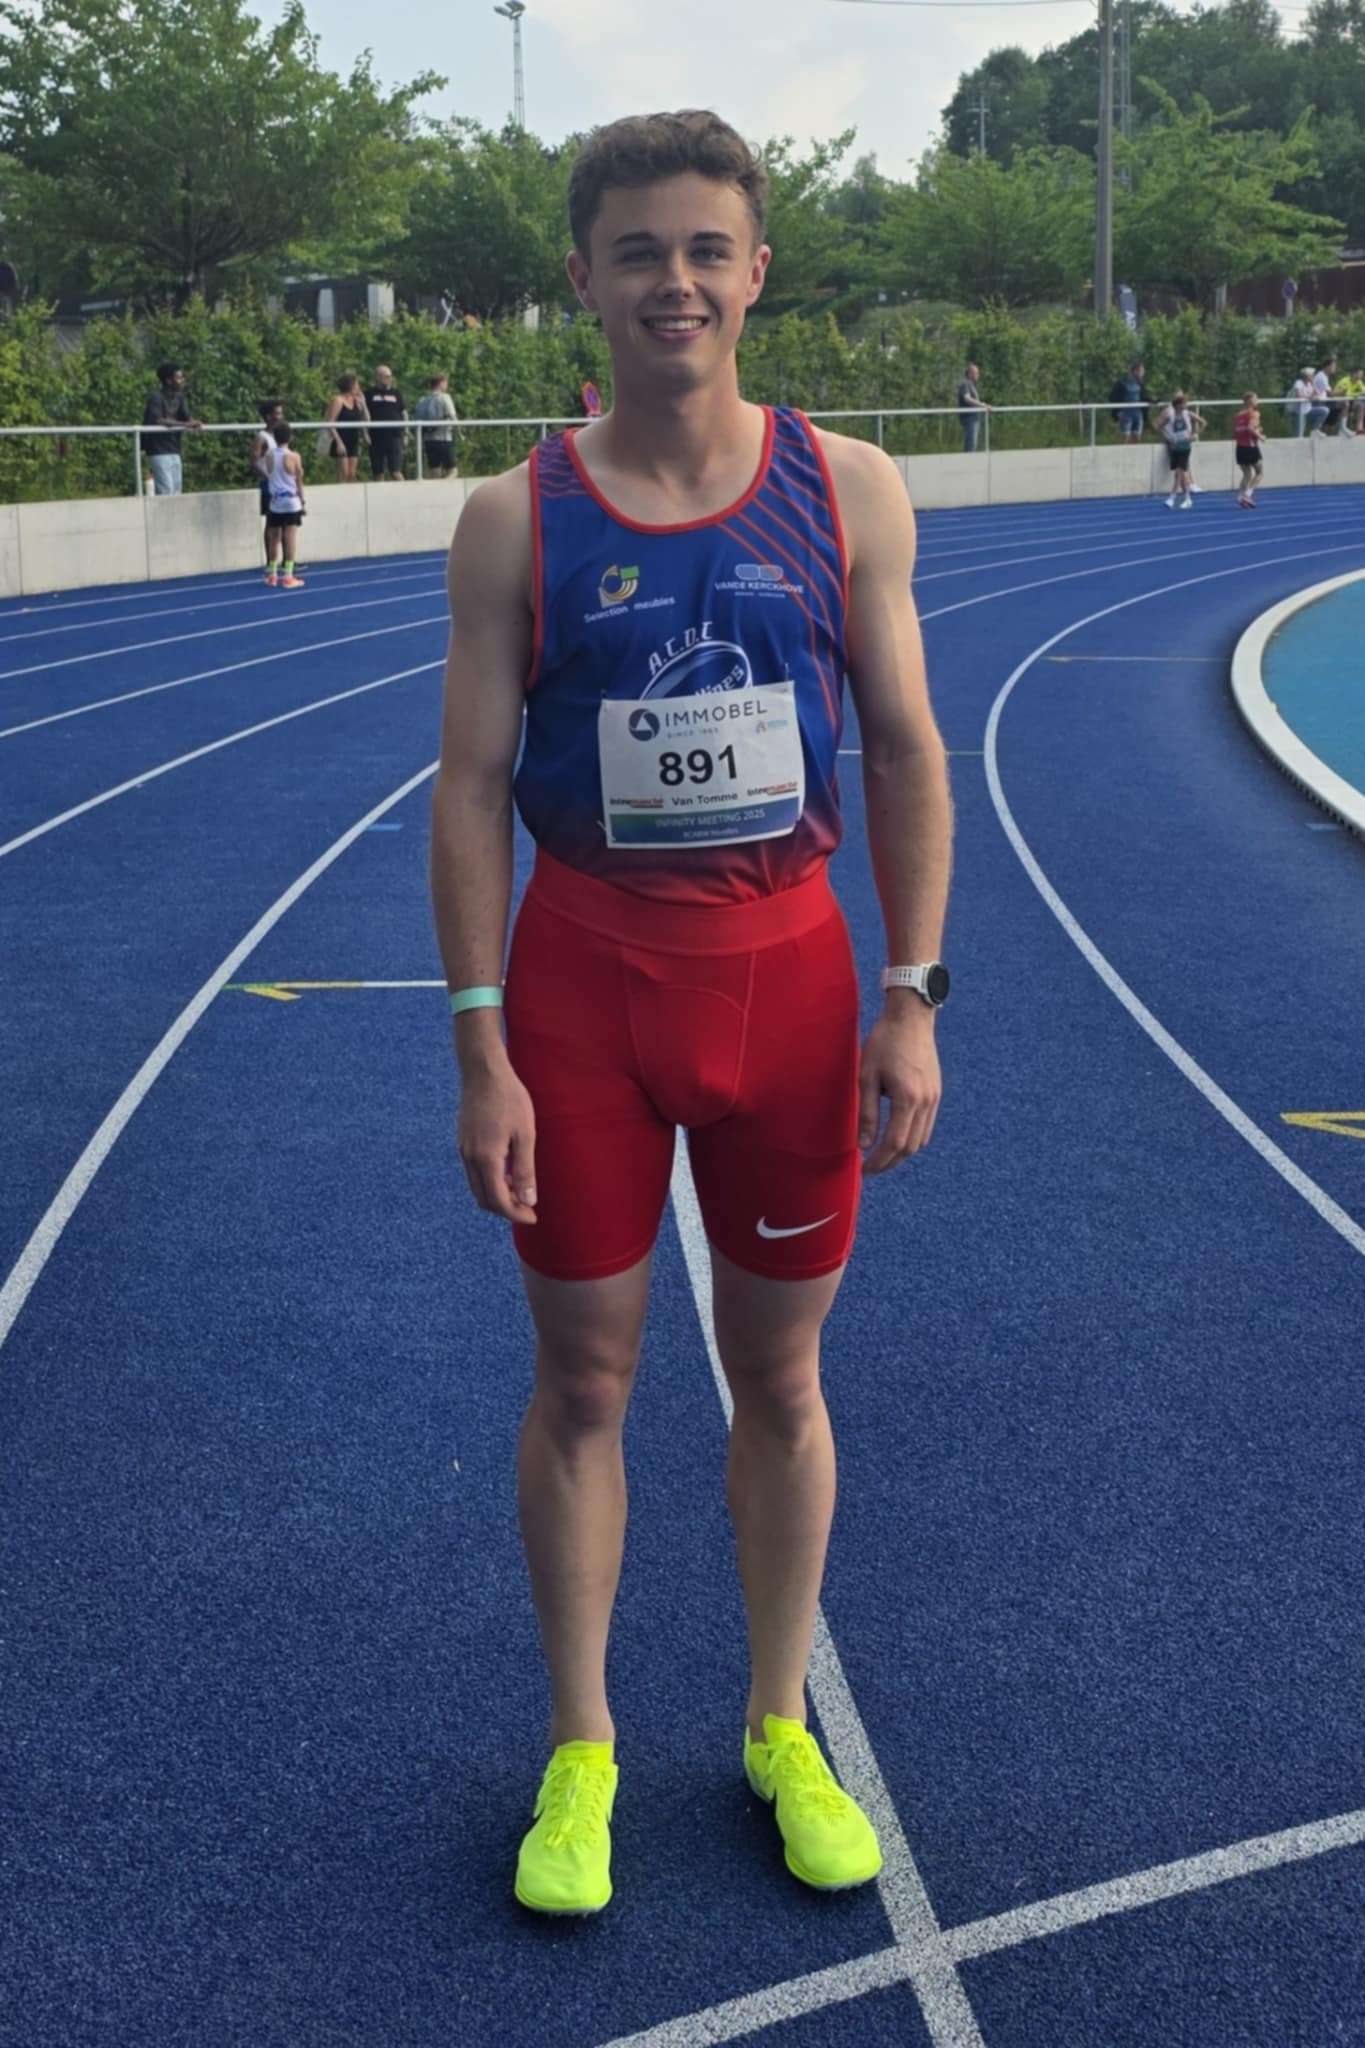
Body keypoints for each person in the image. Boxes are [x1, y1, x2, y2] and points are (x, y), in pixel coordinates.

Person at [430, 107, 953, 1918]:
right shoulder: (515, 517)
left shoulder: (850, 486)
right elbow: (467, 787)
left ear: (755, 273)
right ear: (582, 277)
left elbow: (906, 749)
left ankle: (776, 1719)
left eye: (706, 249)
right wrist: (482, 1043)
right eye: (639, 251)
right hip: (585, 987)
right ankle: (581, 1745)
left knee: (783, 1374)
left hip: (789, 981)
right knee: (585, 1379)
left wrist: (911, 997)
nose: (676, 281)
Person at [142, 363, 203, 495]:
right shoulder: (156, 397)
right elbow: (158, 420)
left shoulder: (179, 397)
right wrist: (186, 425)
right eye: (179, 378)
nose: (182, 380)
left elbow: (187, 417)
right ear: (169, 380)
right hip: (158, 450)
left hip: (174, 448)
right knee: (166, 490)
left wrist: (194, 423)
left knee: (176, 491)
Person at [261, 421, 306, 587]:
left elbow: (269, 474)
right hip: (291, 500)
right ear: (290, 437)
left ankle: (272, 574)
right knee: (290, 536)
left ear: (274, 437)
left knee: (274, 537)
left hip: (276, 500)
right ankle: (288, 575)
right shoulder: (294, 456)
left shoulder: (269, 455)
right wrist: (302, 500)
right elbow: (299, 480)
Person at [1154, 392, 1205, 510]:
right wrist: (1168, 438)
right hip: (1175, 446)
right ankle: (1186, 499)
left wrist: (1195, 435)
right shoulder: (1170, 416)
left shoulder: (1188, 414)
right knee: (1179, 473)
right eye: (1184, 403)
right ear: (1178, 405)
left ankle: (1172, 498)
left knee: (1179, 472)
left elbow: (1203, 422)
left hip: (1185, 446)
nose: (1186, 405)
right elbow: (1159, 427)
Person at [323, 373, 369, 481]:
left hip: (353, 440)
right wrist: (339, 443)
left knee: (352, 474)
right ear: (351, 386)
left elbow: (366, 419)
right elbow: (330, 423)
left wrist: (364, 403)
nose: (359, 387)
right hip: (341, 439)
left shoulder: (357, 401)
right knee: (343, 472)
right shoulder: (338, 400)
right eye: (357, 384)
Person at [252, 399, 286, 547]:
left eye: (281, 413)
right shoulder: (262, 437)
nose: (281, 417)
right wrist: (269, 477)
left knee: (285, 523)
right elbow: (254, 462)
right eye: (277, 413)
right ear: (268, 417)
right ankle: (270, 558)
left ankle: (286, 556)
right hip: (269, 484)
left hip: (281, 484)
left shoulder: (280, 437)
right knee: (271, 522)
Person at [364, 364, 406, 480]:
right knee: (378, 472)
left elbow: (404, 413)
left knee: (396, 471)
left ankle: (405, 490)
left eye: (390, 376)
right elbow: (363, 415)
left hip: (394, 436)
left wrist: (406, 433)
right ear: (378, 377)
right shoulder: (368, 394)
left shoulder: (396, 393)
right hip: (376, 437)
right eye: (386, 376)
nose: (389, 379)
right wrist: (365, 434)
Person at [414, 372, 459, 477]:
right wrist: (459, 432)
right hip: (444, 439)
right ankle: (445, 485)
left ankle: (438, 487)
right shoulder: (445, 397)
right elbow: (453, 417)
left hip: (428, 440)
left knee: (435, 471)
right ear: (441, 383)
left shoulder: (423, 400)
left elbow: (417, 419)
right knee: (453, 471)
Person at [1108, 359, 1151, 443]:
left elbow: (1144, 396)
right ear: (1135, 371)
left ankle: (1134, 451)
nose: (1143, 373)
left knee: (1137, 437)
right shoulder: (1122, 382)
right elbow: (1112, 397)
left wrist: (1153, 401)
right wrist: (1118, 411)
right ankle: (1121, 450)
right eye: (1141, 371)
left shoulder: (1140, 383)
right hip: (1126, 413)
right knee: (1125, 437)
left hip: (1137, 413)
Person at [1233, 391, 1263, 508]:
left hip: (1239, 447)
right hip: (1250, 447)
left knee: (1246, 474)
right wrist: (1260, 436)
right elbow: (1250, 428)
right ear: (1250, 401)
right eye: (1256, 399)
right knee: (1259, 472)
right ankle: (1247, 494)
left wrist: (1256, 430)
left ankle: (1240, 496)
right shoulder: (1254, 413)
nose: (1257, 401)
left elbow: (1237, 431)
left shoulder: (1238, 415)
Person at [956, 362, 991, 452]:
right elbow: (967, 398)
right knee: (971, 444)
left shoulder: (972, 385)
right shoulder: (965, 384)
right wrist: (983, 405)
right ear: (969, 374)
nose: (978, 375)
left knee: (973, 444)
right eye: (976, 373)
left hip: (974, 419)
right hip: (969, 419)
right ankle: (968, 460)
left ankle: (971, 458)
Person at [1328, 362, 1356, 437]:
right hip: (1334, 401)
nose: (1360, 376)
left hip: (1342, 401)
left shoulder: (1358, 381)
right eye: (1358, 374)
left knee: (1350, 404)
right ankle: (1342, 428)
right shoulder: (1345, 381)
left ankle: (1342, 429)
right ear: (1352, 374)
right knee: (1346, 404)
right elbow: (1343, 393)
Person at [1288, 368, 1316, 438]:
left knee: (1323, 411)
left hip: (1308, 410)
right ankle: (1297, 442)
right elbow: (1298, 396)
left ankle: (1315, 431)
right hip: (1298, 411)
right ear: (1307, 376)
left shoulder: (1310, 384)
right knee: (1299, 432)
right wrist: (1309, 397)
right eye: (1312, 375)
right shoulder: (1298, 383)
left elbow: (1315, 394)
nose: (1313, 377)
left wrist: (1313, 384)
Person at [1309, 361, 1333, 437]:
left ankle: (1317, 431)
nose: (1334, 368)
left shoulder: (1325, 376)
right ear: (1327, 366)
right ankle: (1315, 431)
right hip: (1316, 403)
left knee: (1326, 411)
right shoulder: (1321, 377)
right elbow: (1330, 393)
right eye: (1332, 366)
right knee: (1325, 410)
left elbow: (1317, 392)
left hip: (1321, 401)